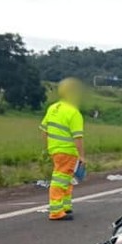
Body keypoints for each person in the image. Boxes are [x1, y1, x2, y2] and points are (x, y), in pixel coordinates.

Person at [40, 78, 86, 221]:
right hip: (67, 151)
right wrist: (82, 156)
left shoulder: (53, 108)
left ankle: (65, 207)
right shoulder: (73, 112)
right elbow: (78, 137)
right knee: (60, 180)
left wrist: (48, 146)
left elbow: (43, 130)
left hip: (55, 149)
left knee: (66, 179)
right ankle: (56, 211)